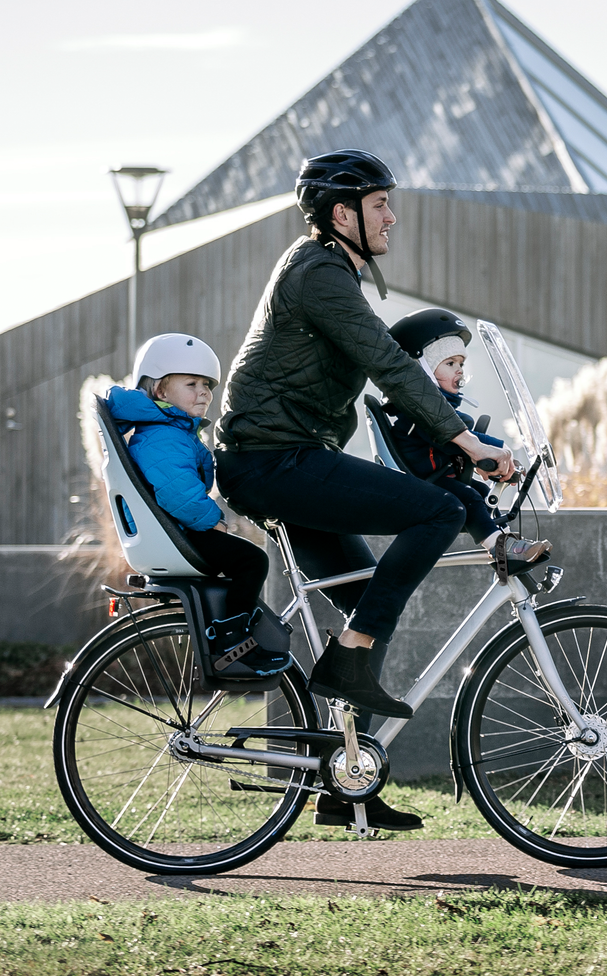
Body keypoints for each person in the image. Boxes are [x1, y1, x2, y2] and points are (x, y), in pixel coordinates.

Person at [213, 149, 514, 831]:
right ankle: (346, 668)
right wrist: (467, 443)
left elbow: (387, 373)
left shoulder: (328, 272)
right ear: (340, 213)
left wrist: (445, 432)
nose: (392, 216)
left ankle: (343, 785)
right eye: (380, 204)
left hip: (283, 459)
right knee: (435, 513)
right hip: (271, 462)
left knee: (361, 602)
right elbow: (386, 361)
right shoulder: (318, 273)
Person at [106, 333, 291, 679]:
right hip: (177, 532)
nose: (204, 392)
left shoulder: (168, 430)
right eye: (191, 384)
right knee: (253, 561)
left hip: (171, 530)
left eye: (206, 385)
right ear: (160, 391)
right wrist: (213, 521)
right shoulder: (164, 435)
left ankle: (233, 625)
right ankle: (232, 638)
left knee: (243, 561)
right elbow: (176, 494)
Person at [387, 307, 552, 566]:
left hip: (438, 478)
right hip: (424, 484)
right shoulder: (420, 413)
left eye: (461, 363)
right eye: (450, 363)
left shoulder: (441, 411)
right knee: (471, 498)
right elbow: (454, 439)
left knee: (481, 492)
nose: (460, 370)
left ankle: (506, 544)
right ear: (423, 371)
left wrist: (498, 460)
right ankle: (502, 548)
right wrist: (497, 450)